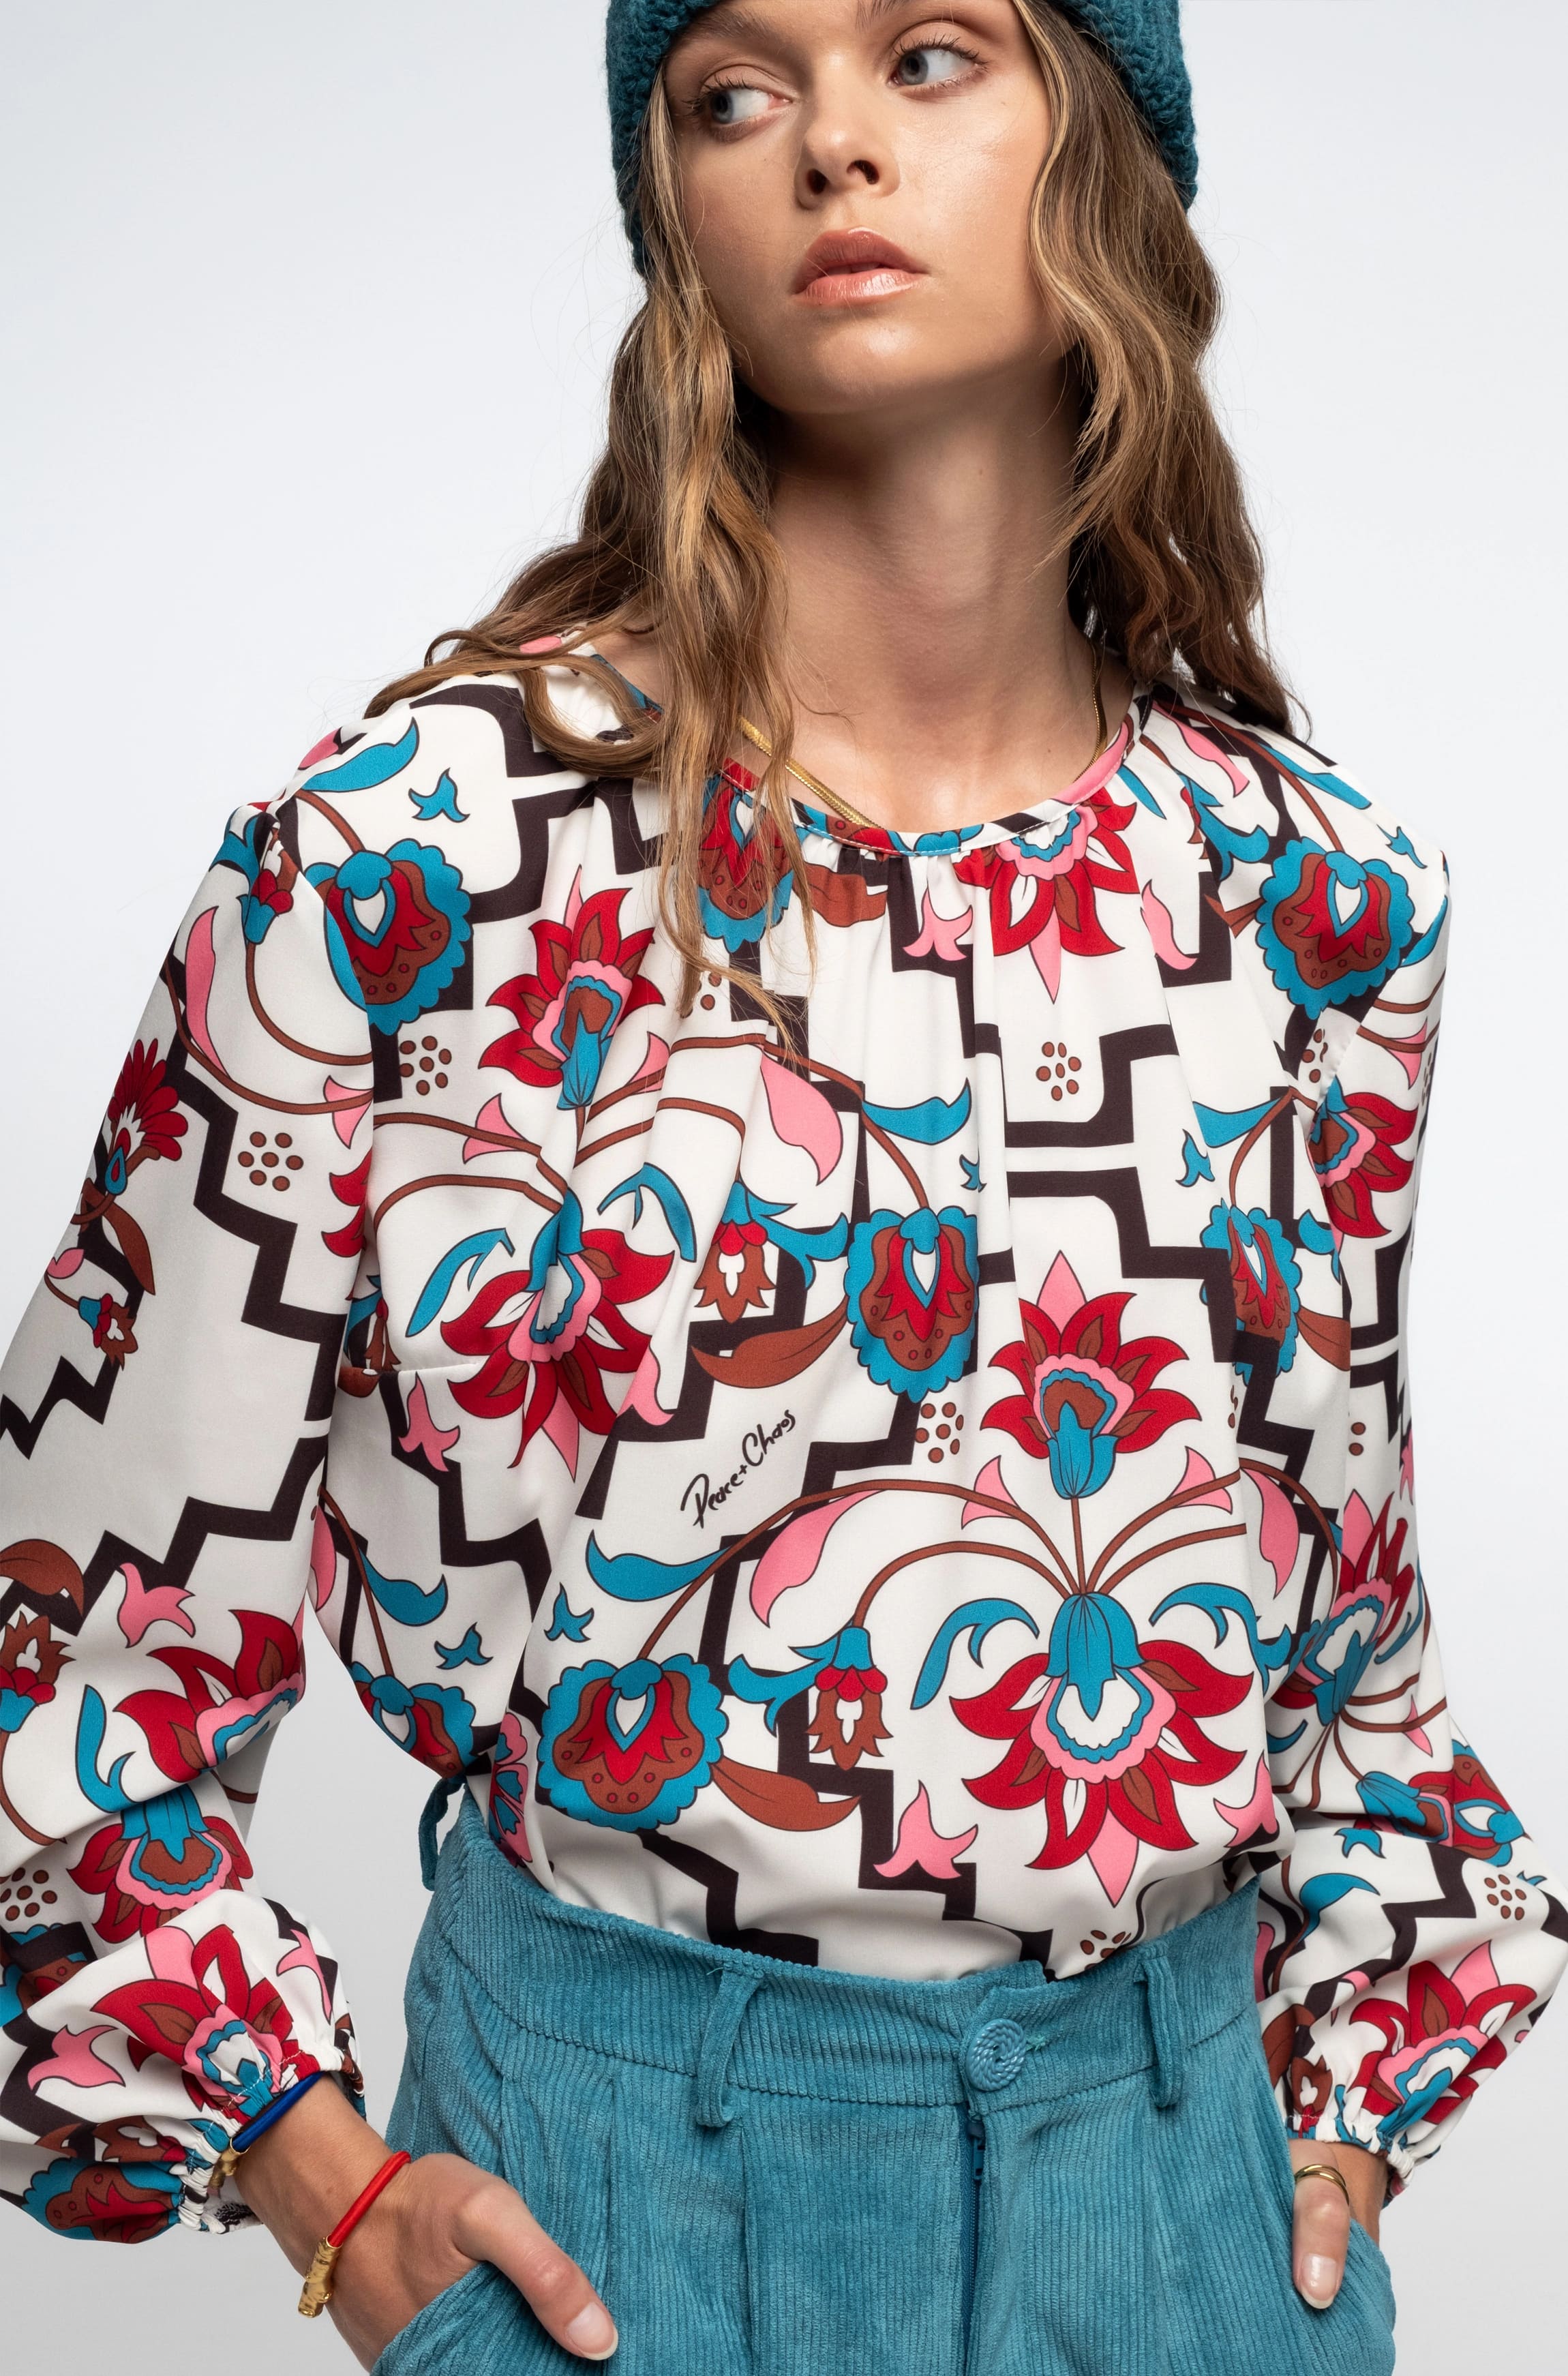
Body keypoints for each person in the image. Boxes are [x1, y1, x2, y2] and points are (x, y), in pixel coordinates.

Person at [1, 2, 1562, 2369]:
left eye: (928, 54)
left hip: (1182, 2205)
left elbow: (1337, 1616)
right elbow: (68, 1634)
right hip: (620, 2205)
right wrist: (329, 2192)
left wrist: (1326, 2122)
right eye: (732, 91)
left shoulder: (1314, 898)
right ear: (677, 222)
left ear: (1103, 141)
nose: (830, 141)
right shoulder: (415, 867)